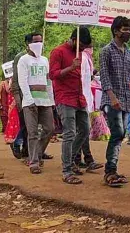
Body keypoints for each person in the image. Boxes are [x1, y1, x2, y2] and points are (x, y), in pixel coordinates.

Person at [49, 26, 93, 185]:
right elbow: (53, 75)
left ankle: (71, 159)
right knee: (69, 133)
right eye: (81, 46)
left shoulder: (80, 53)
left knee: (85, 129)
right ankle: (66, 170)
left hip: (79, 96)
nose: (82, 49)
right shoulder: (58, 52)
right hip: (64, 96)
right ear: (74, 40)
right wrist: (71, 68)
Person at [99, 16, 130, 187]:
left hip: (126, 100)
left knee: (120, 134)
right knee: (118, 133)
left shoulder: (129, 54)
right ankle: (109, 171)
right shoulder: (106, 51)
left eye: (129, 29)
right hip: (111, 99)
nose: (128, 33)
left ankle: (112, 170)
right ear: (116, 31)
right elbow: (105, 78)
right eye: (124, 29)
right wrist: (113, 98)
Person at [17, 32, 55, 174]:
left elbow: (49, 81)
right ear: (28, 44)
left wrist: (51, 100)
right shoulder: (23, 60)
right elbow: (22, 81)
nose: (39, 44)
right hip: (30, 101)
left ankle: (37, 154)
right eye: (35, 42)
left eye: (41, 41)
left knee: (50, 128)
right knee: (32, 132)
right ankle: (34, 162)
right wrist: (29, 99)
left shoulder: (45, 60)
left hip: (45, 99)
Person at [73, 47, 104, 171]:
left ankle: (82, 159)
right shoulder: (81, 57)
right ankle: (82, 159)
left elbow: (87, 78)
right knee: (82, 130)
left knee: (83, 130)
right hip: (80, 98)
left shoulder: (87, 58)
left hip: (85, 97)